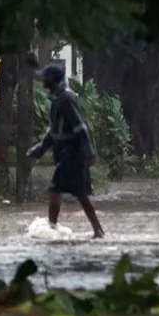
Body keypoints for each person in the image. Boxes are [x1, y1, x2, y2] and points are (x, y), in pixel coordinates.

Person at [26, 64, 105, 239]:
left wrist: (88, 152)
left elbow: (80, 126)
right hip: (66, 154)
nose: (42, 80)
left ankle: (54, 229)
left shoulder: (66, 99)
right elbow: (53, 132)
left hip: (73, 153)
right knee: (79, 192)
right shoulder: (57, 99)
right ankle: (97, 230)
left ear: (53, 80)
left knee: (57, 190)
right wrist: (39, 149)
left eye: (45, 77)